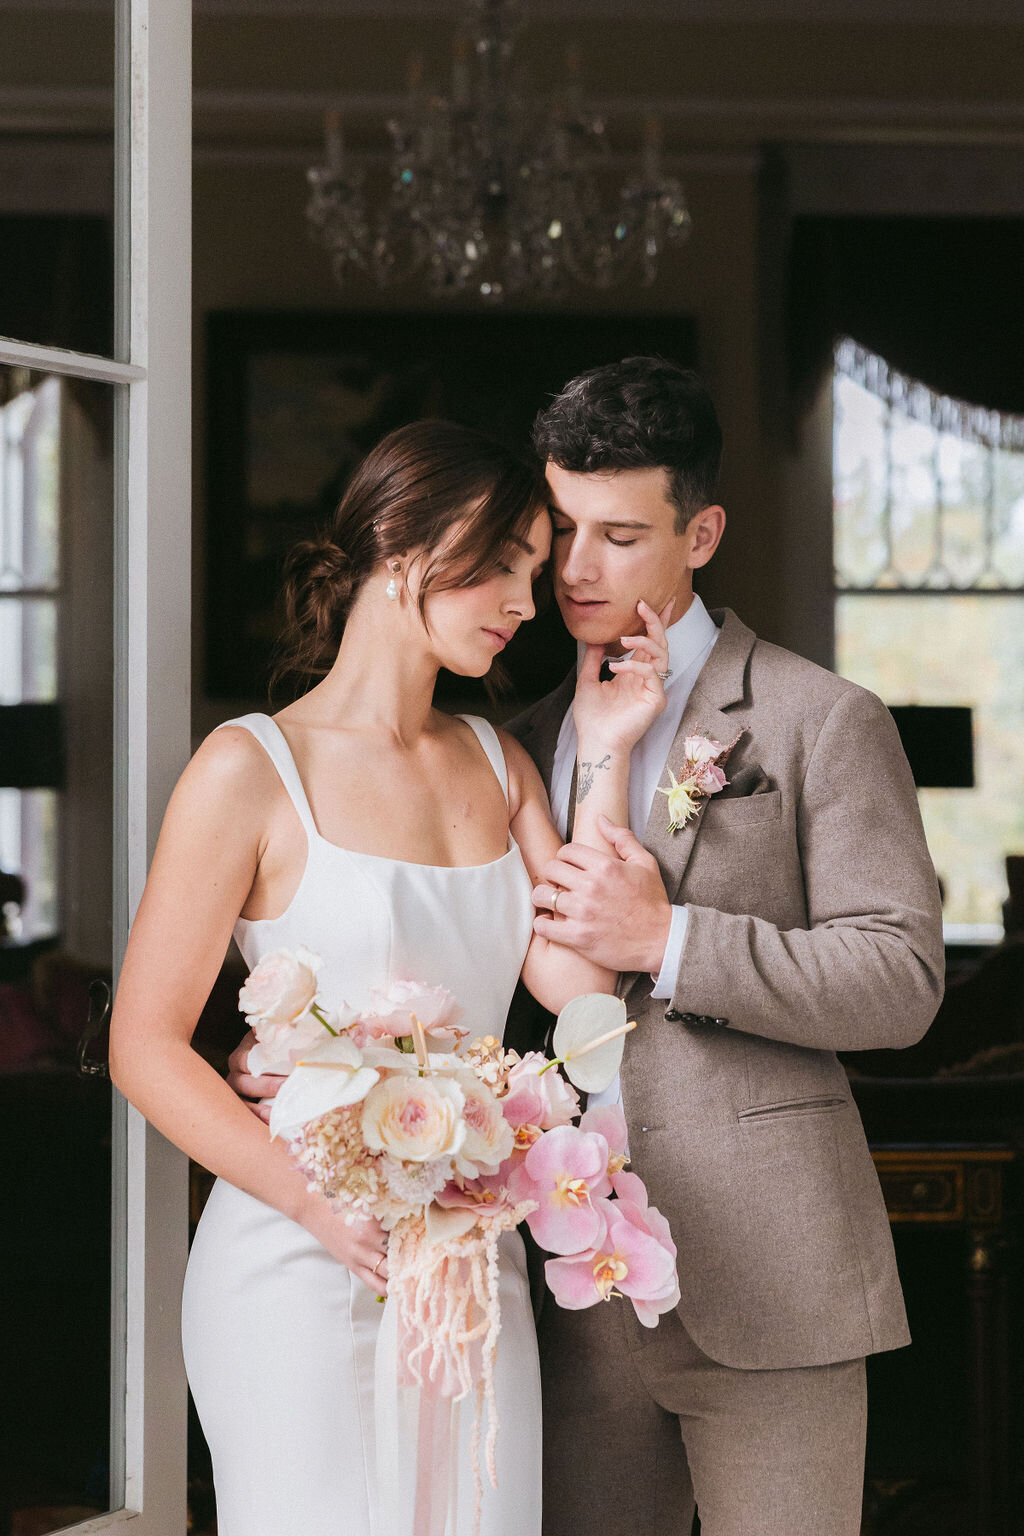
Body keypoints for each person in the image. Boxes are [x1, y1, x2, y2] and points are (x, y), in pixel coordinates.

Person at [108, 418, 670, 1536]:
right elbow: (144, 1044)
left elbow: (581, 988)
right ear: (405, 545)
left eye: (532, 570)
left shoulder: (495, 761)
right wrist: (313, 1204)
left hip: (471, 1263)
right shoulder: (247, 767)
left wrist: (607, 745)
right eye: (504, 564)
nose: (528, 600)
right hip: (294, 1260)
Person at [511, 356, 945, 1534]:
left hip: (772, 1277)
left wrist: (669, 937)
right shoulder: (520, 740)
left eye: (618, 536)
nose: (575, 568)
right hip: (564, 1293)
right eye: (559, 529)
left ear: (699, 534)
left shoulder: (819, 719)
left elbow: (901, 979)